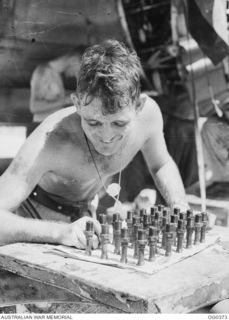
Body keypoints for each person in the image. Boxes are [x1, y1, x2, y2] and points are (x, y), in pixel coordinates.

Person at [0, 39, 188, 250]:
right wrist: (60, 232)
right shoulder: (50, 141)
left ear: (139, 106)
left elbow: (160, 164)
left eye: (119, 123)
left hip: (86, 215)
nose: (106, 136)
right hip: (37, 219)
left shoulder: (149, 116)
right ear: (77, 104)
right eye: (93, 122)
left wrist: (180, 206)